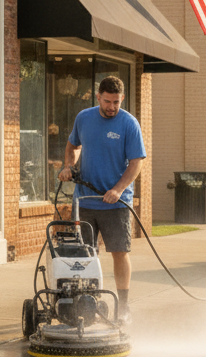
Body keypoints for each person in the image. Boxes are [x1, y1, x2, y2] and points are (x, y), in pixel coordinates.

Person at [59, 76, 145, 321]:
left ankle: (124, 306)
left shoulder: (129, 124)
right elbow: (72, 145)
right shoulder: (84, 118)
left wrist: (118, 189)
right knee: (86, 255)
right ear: (97, 97)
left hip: (115, 204)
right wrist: (68, 166)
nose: (112, 107)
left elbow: (136, 162)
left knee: (119, 252)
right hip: (85, 201)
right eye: (107, 101)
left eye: (116, 102)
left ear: (122, 99)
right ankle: (89, 303)